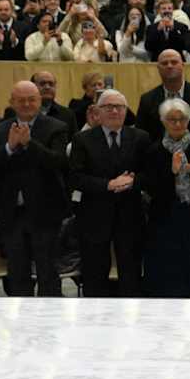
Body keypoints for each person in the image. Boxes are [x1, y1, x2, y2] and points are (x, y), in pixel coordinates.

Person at [0, 79, 72, 298]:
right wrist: (9, 147)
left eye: (31, 99)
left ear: (39, 101)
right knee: (17, 272)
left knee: (47, 271)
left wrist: (29, 144)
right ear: (11, 102)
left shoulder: (56, 127)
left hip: (45, 213)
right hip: (12, 213)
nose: (26, 104)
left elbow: (58, 162)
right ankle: (20, 317)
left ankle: (50, 316)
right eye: (20, 100)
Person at [69, 89, 151, 296]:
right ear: (98, 111)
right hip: (94, 216)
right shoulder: (82, 139)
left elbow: (150, 174)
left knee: (131, 272)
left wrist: (132, 181)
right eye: (108, 107)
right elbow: (75, 177)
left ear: (126, 110)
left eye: (119, 107)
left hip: (130, 216)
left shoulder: (140, 137)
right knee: (95, 273)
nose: (115, 111)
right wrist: (109, 184)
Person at [138, 98, 190, 296]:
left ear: (188, 120)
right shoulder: (154, 150)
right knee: (167, 266)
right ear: (163, 121)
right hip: (165, 216)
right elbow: (151, 189)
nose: (177, 124)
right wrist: (172, 172)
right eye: (172, 120)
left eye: (182, 119)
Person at [136, 49, 190, 144]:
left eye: (174, 62)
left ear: (182, 65)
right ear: (158, 68)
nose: (169, 66)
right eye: (164, 63)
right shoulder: (147, 100)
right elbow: (142, 136)